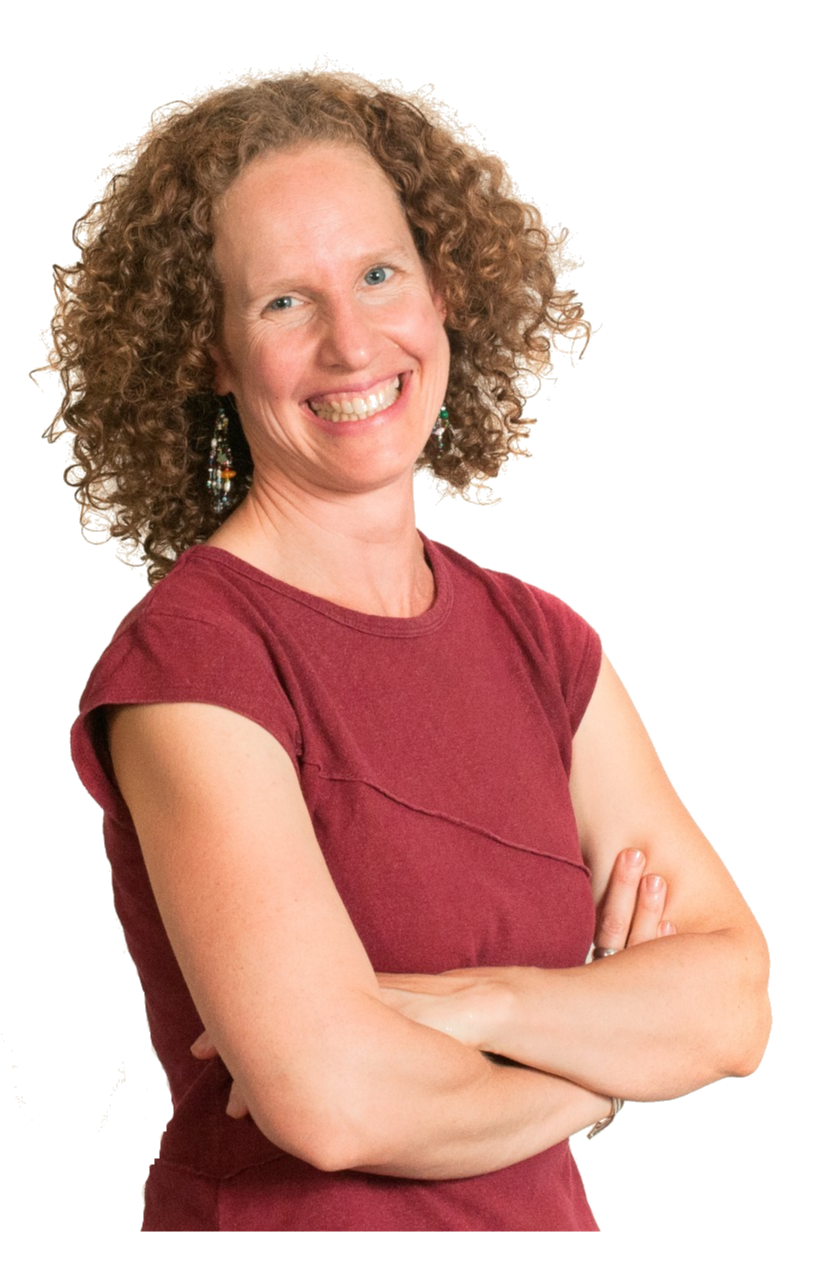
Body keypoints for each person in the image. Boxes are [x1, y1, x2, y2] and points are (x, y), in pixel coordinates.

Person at [54, 71, 770, 1232]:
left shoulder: (542, 647)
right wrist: (604, 1066)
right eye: (285, 301)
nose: (352, 342)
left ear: (444, 289)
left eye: (380, 275)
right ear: (208, 351)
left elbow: (730, 999)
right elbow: (335, 1104)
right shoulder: (194, 669)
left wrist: (485, 1009)